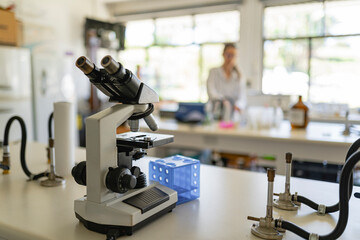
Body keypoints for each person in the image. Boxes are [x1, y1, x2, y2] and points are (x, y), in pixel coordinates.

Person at [206, 43, 246, 121]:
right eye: (228, 55)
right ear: (223, 54)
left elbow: (243, 98)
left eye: (233, 55)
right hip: (216, 112)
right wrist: (223, 101)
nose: (230, 58)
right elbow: (211, 92)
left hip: (233, 115)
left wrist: (237, 106)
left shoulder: (239, 76)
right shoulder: (214, 72)